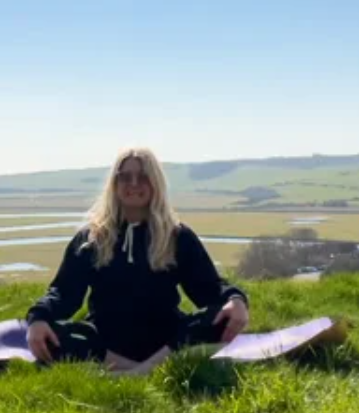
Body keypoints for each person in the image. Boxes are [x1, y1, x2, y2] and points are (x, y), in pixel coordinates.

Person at [25, 147, 250, 372]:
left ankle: (136, 373)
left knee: (217, 319)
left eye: (143, 176)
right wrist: (38, 318)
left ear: (156, 183)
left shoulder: (177, 236)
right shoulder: (91, 239)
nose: (134, 183)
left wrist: (235, 299)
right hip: (106, 342)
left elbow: (208, 289)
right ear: (114, 184)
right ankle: (148, 373)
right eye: (125, 177)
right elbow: (64, 293)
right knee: (52, 334)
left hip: (166, 340)